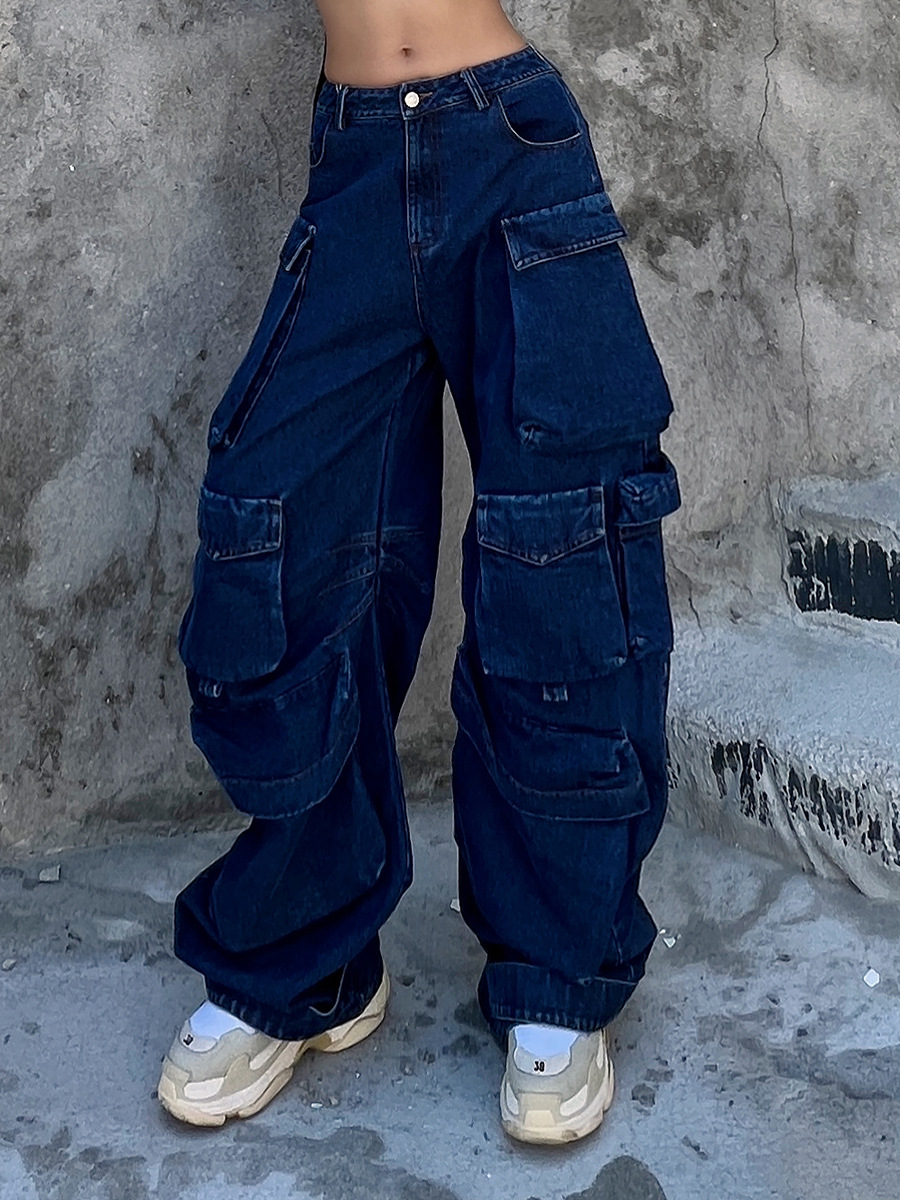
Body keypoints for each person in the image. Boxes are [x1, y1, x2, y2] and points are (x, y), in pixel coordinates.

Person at [156, 0, 681, 1146]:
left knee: (561, 552)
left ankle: (556, 968)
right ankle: (309, 957)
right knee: (278, 537)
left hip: (513, 147)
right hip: (354, 161)